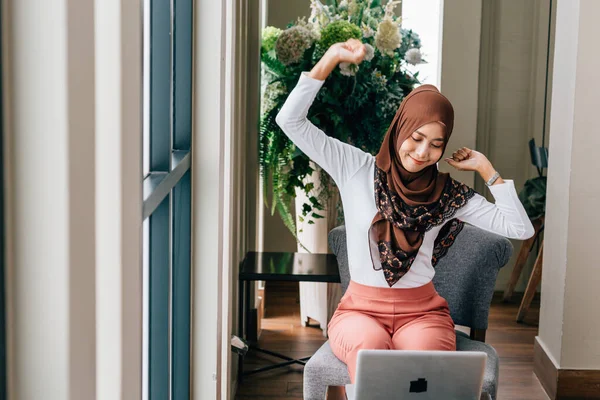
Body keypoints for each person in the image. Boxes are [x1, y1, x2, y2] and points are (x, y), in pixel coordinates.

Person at [275, 38, 535, 382]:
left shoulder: (448, 194)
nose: (422, 151)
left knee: (423, 360)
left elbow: (520, 229)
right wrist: (332, 57)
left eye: (436, 144)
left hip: (423, 313)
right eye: (416, 137)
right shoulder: (356, 167)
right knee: (369, 351)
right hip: (359, 311)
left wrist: (487, 170)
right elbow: (290, 120)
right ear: (400, 126)